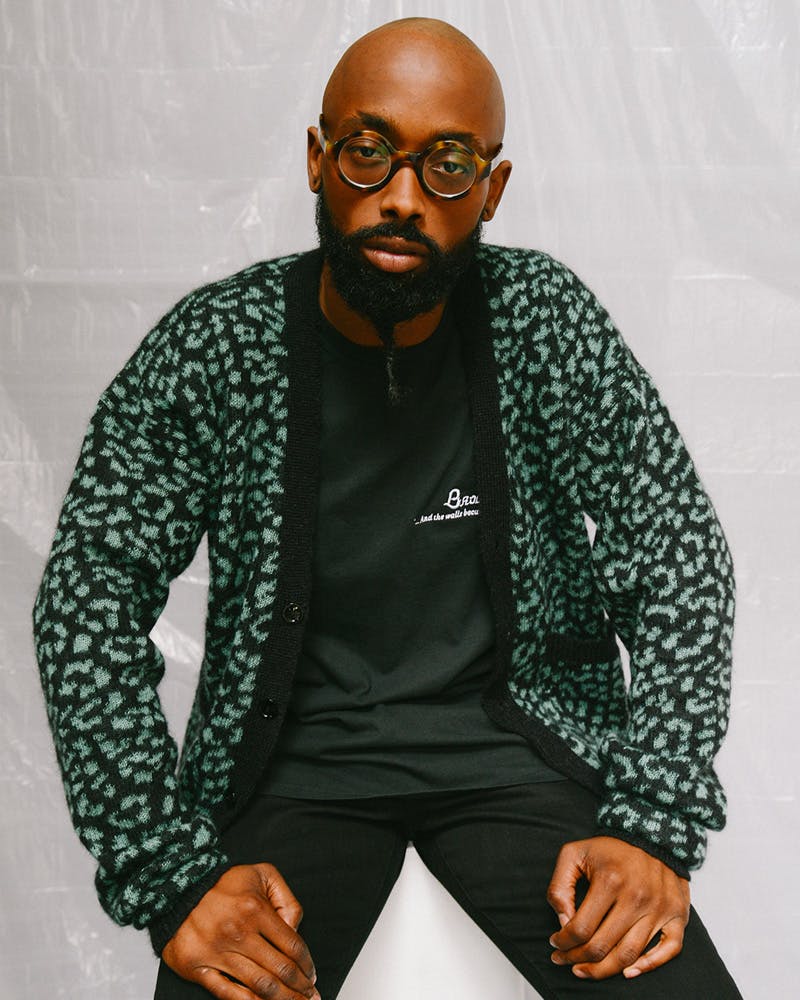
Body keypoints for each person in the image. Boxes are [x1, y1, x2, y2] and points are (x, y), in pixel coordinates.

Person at [32, 16, 741, 1000]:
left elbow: (677, 558)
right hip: (292, 776)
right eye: (368, 152)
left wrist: (651, 826)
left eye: (447, 166)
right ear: (317, 160)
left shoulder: (541, 319)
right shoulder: (216, 347)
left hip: (521, 759)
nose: (403, 198)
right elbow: (87, 598)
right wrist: (169, 873)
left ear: (491, 188)